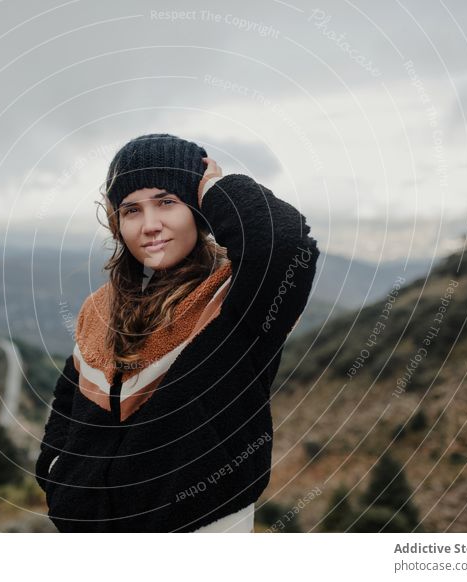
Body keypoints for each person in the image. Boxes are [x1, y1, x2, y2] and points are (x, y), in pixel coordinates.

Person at [35, 133, 319, 532]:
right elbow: (69, 399)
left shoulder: (236, 298)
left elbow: (284, 244)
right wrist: (56, 470)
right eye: (132, 210)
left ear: (197, 209)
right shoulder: (99, 308)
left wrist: (218, 190)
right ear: (118, 223)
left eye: (167, 202)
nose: (150, 225)